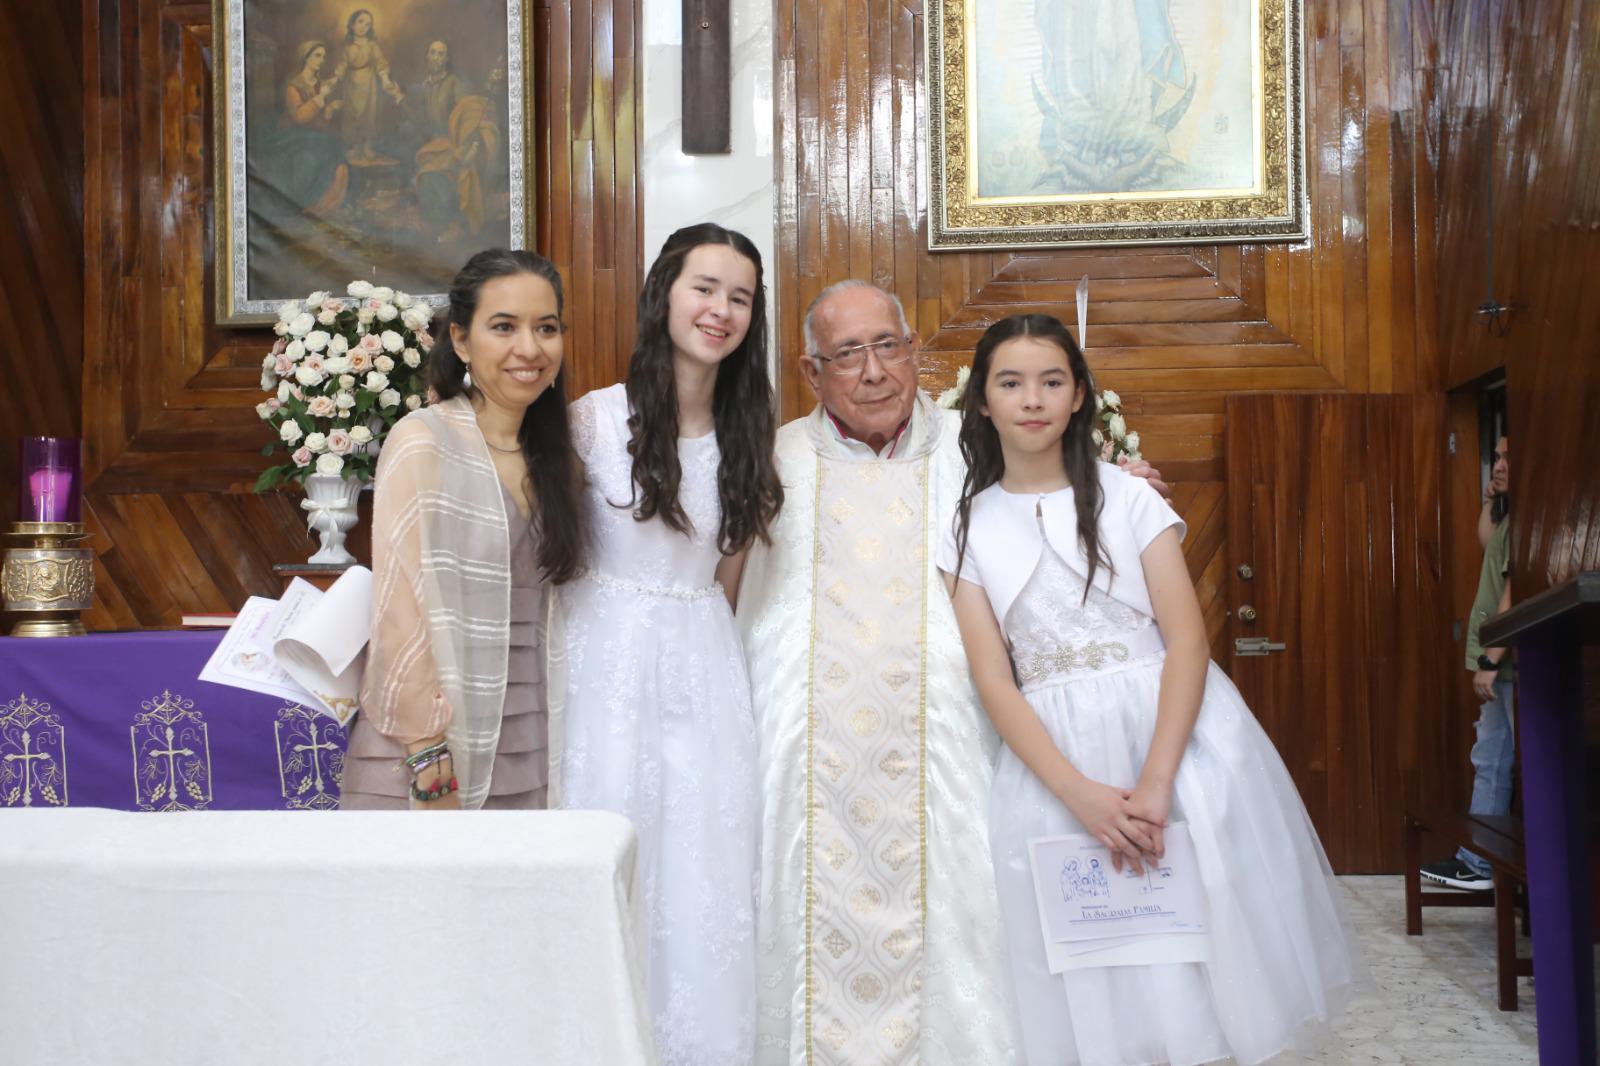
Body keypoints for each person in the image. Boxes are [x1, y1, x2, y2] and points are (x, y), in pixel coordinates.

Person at [734, 280, 1168, 1064]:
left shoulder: (978, 445)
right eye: (847, 354)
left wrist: (1114, 484)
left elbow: (1064, 496)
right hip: (809, 760)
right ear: (810, 370)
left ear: (914, 352)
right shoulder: (772, 462)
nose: (873, 372)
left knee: (968, 920)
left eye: (888, 347)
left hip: (955, 742)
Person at [938, 313, 1357, 1065]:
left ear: (1078, 398)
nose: (1031, 398)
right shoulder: (966, 528)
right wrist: (1079, 793)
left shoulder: (1129, 500)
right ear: (982, 404)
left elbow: (1188, 640)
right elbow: (995, 680)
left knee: (1198, 942)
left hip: (1173, 742)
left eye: (1051, 381)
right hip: (1056, 764)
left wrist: (1156, 781)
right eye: (1010, 382)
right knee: (1092, 958)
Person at [559, 223, 783, 1065]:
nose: (720, 310)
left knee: (701, 868)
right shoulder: (592, 421)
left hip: (702, 664)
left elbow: (726, 578)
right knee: (612, 852)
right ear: (664, 294)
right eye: (705, 288)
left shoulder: (749, 434)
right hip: (603, 665)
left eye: (740, 298)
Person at [343, 248, 587, 810]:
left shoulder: (562, 464)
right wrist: (432, 768)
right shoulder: (424, 440)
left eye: (546, 328)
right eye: (503, 327)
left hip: (530, 742)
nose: (529, 348)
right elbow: (400, 618)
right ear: (460, 340)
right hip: (423, 751)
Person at [1422, 434, 1515, 891]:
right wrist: (1489, 497)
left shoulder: (1533, 521)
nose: (1497, 465)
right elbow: (1488, 543)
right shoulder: (1511, 519)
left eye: (1506, 458)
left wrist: (1490, 657)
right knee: (1490, 759)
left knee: (1507, 760)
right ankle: (1479, 864)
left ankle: (1492, 866)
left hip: (1511, 667)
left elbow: (1514, 593)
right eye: (1495, 456)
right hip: (1504, 668)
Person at [333, 9, 402, 165]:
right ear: (352, 24)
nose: (363, 26)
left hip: (368, 83)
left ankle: (367, 146)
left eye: (367, 24)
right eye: (360, 22)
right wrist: (335, 78)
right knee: (352, 114)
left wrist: (384, 79)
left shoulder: (372, 46)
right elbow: (342, 66)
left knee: (368, 114)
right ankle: (356, 147)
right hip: (351, 83)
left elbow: (380, 63)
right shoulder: (347, 47)